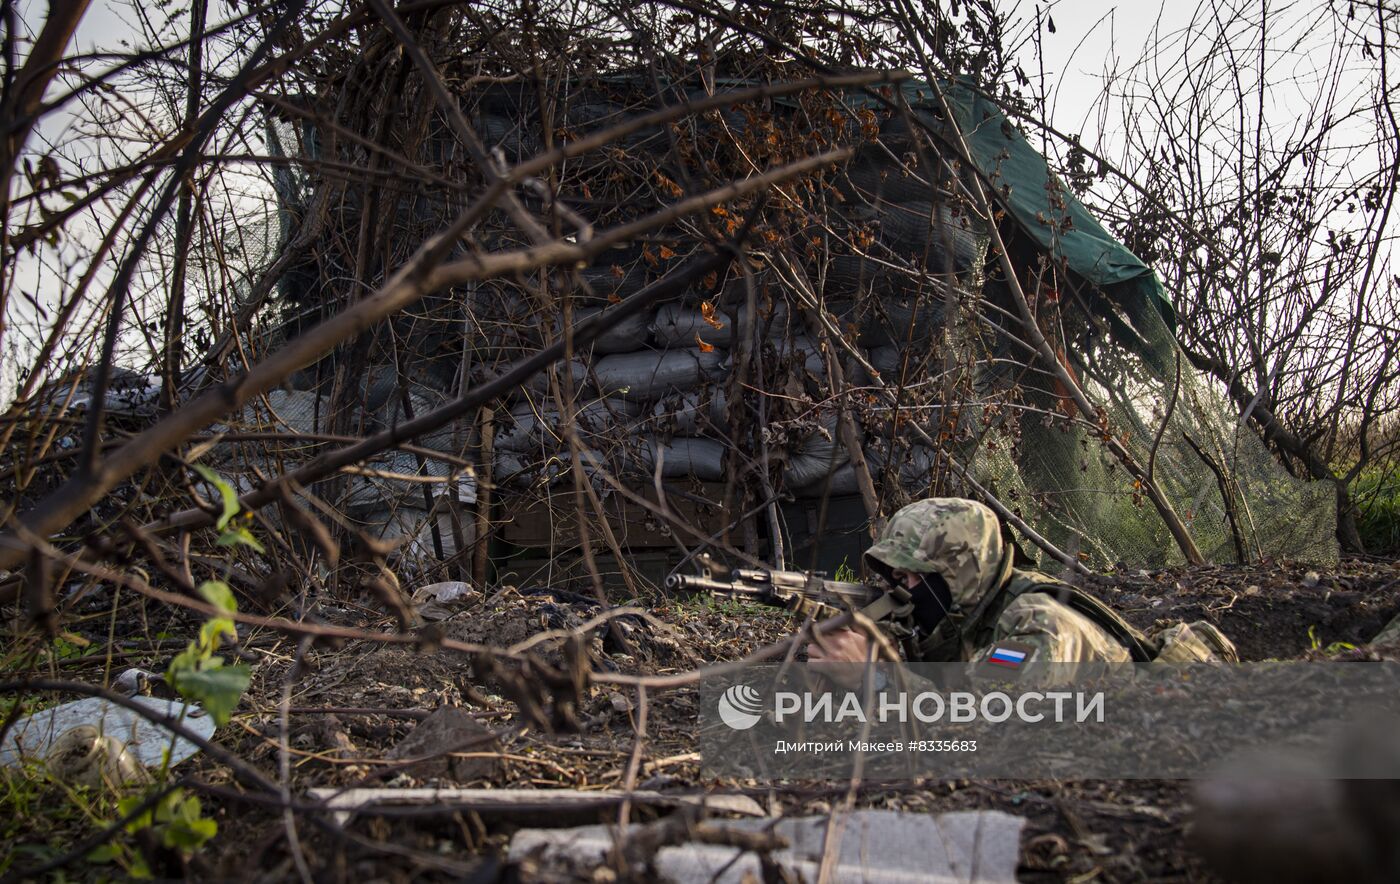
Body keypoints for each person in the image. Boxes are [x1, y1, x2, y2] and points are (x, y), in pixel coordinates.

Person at [806, 497, 1237, 671]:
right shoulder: (972, 618)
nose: (902, 590)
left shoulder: (1036, 626)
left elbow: (982, 721)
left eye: (912, 576)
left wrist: (874, 674)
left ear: (959, 573)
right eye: (896, 578)